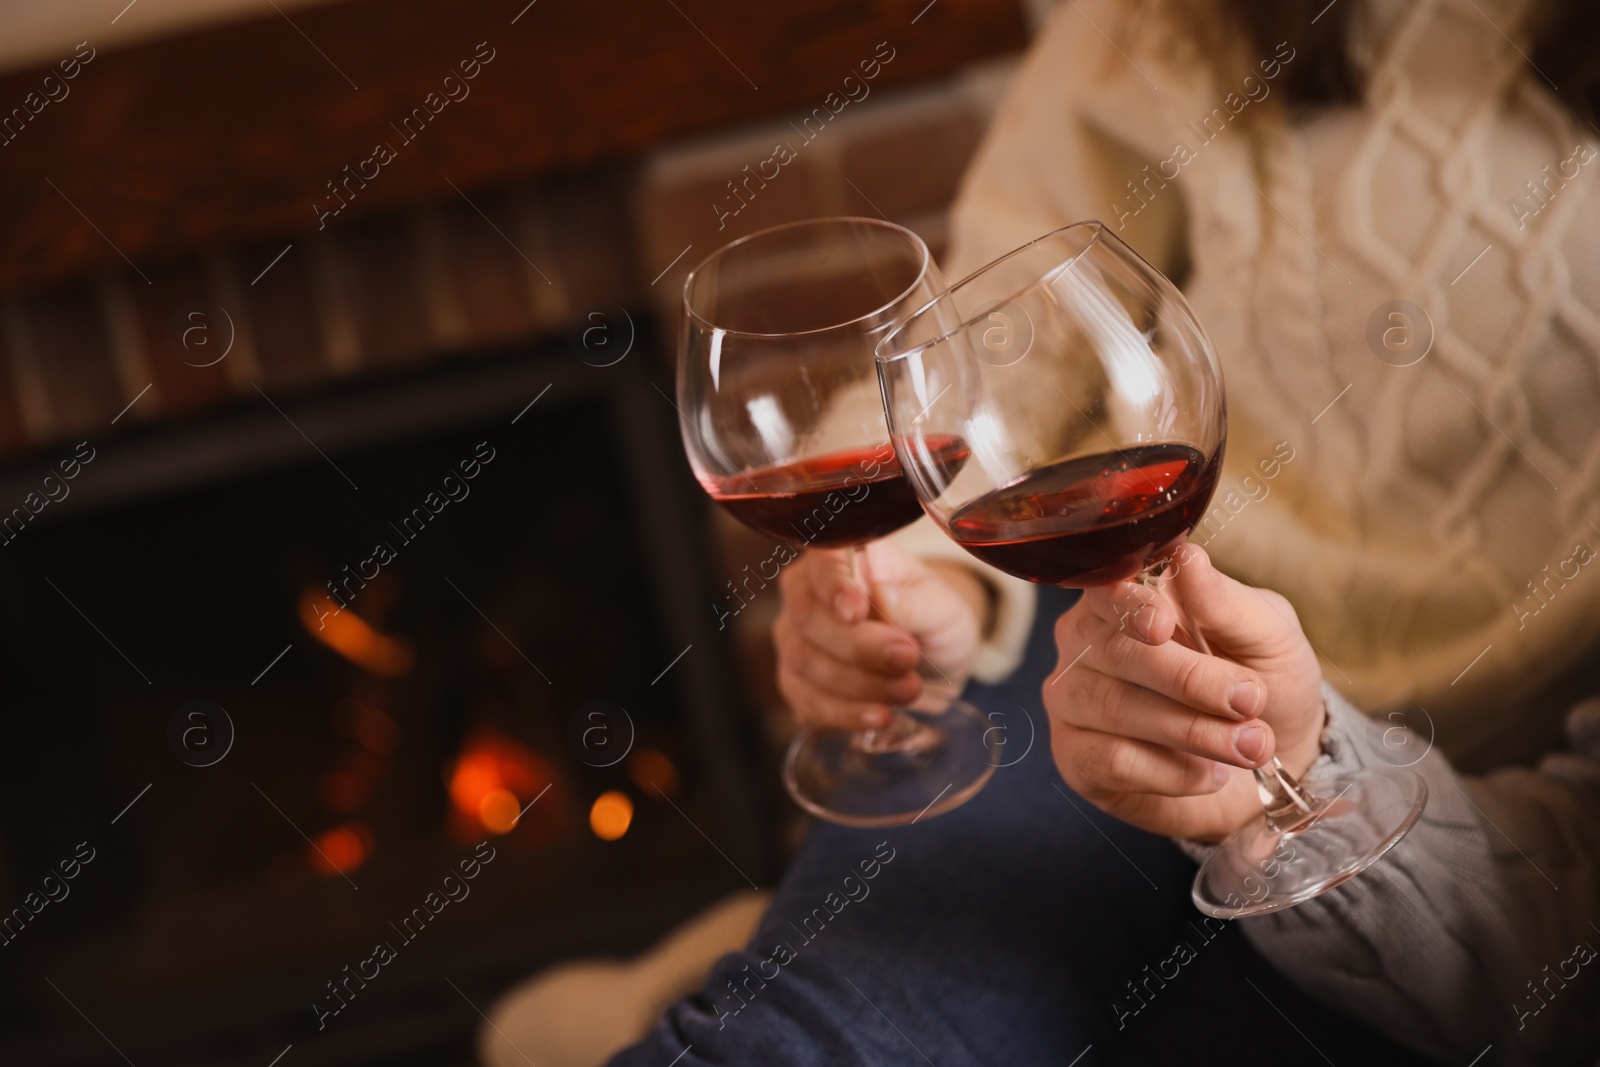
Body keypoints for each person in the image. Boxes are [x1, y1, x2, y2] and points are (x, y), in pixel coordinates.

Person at [484, 0, 1600, 1063]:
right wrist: (934, 589)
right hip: (1111, 644)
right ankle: (777, 978)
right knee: (824, 1039)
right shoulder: (1172, 19)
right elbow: (988, 331)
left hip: (1472, 786)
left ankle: (753, 950)